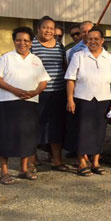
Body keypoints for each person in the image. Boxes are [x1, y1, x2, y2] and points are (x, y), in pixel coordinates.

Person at [0, 27, 50, 184]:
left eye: (26, 40)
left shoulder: (36, 60)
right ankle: (4, 171)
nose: (22, 43)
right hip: (8, 103)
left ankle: (24, 169)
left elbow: (44, 80)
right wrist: (15, 90)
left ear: (31, 43)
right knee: (6, 136)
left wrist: (36, 91)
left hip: (29, 103)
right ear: (14, 41)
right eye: (18, 40)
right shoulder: (6, 58)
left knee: (26, 136)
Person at [65, 27, 111, 177]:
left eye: (96, 39)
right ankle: (82, 162)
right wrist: (70, 99)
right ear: (86, 41)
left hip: (103, 99)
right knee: (82, 131)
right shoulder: (78, 56)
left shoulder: (110, 59)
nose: (93, 41)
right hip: (82, 99)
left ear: (102, 40)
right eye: (90, 39)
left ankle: (95, 162)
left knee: (99, 131)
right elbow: (70, 79)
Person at [31, 16, 69, 172]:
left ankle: (57, 160)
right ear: (39, 28)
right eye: (45, 27)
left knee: (56, 126)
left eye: (51, 28)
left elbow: (64, 67)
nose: (48, 31)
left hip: (58, 92)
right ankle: (32, 159)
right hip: (37, 93)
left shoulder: (60, 46)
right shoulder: (31, 45)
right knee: (35, 126)